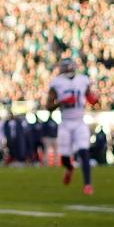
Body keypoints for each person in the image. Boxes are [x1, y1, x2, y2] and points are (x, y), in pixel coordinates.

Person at [46, 57, 96, 195]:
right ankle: (69, 168)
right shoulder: (57, 82)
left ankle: (87, 184)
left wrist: (93, 99)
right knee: (65, 158)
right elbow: (48, 106)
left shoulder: (83, 79)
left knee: (83, 151)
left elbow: (89, 96)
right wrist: (61, 102)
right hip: (66, 123)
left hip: (80, 121)